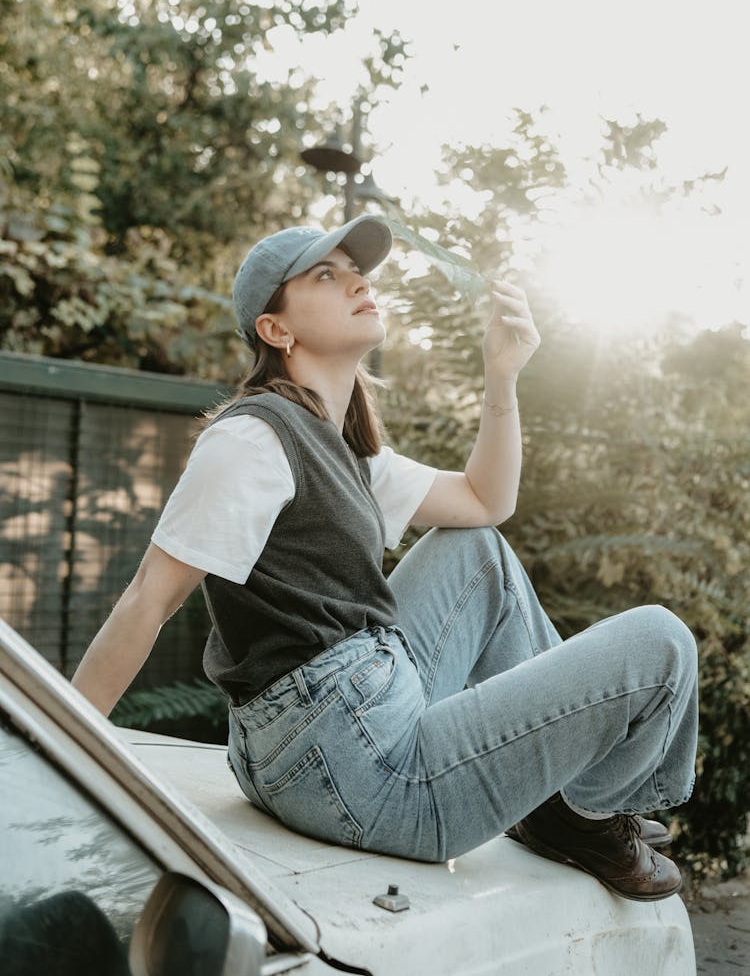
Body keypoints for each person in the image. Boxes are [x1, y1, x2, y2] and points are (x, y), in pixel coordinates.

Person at [72, 214, 698, 901]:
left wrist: (502, 373)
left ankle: (564, 800)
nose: (358, 281)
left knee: (477, 549)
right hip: (349, 763)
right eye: (326, 274)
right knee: (661, 643)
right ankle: (582, 810)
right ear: (275, 330)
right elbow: (149, 599)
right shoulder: (253, 439)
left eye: (357, 269)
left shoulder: (343, 448)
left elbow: (487, 501)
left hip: (343, 723)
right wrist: (58, 753)